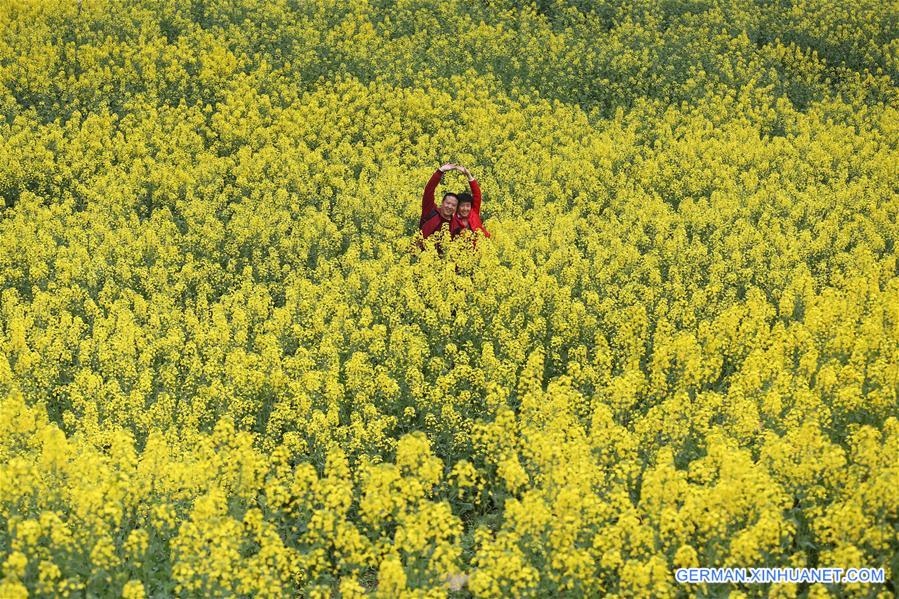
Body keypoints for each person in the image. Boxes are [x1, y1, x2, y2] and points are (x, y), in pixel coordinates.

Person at [419, 163, 460, 240]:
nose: (450, 207)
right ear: (442, 202)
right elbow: (429, 190)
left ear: (456, 208)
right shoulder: (430, 211)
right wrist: (440, 171)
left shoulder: (455, 226)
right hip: (420, 251)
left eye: (453, 205)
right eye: (448, 203)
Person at [449, 165, 489, 240]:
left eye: (468, 206)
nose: (465, 209)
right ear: (457, 207)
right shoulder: (453, 219)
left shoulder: (474, 212)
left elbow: (477, 194)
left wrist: (469, 175)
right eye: (462, 206)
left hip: (483, 248)